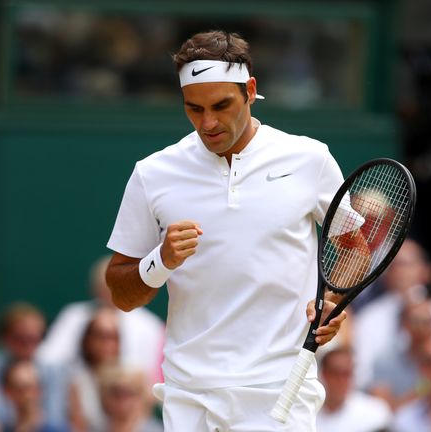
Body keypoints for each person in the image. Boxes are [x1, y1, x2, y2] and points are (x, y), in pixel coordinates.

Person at [105, 30, 360, 431]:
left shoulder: (309, 158)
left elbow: (354, 247)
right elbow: (120, 292)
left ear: (250, 90)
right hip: (189, 394)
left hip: (281, 387)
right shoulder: (153, 173)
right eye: (194, 109)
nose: (208, 123)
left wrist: (334, 298)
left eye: (221, 105)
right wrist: (161, 260)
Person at [37, 255, 165, 383]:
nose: (109, 293)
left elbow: (150, 376)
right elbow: (49, 358)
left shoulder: (149, 325)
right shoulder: (74, 315)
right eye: (105, 287)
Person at [353, 239, 431, 388]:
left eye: (405, 264)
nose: (399, 271)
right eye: (393, 265)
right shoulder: (368, 317)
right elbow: (362, 373)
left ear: (425, 271)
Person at [0, 302, 66, 432]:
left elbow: (55, 419)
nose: (27, 345)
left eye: (33, 338)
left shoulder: (52, 370)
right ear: (5, 337)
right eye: (20, 338)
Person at [369, 299, 431, 411]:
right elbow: (382, 410)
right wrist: (422, 390)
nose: (421, 328)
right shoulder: (385, 360)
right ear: (404, 324)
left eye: (427, 321)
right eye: (416, 321)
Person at [67, 307, 122, 432]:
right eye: (101, 336)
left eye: (113, 337)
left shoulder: (132, 379)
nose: (108, 344)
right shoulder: (75, 380)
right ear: (87, 340)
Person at [316, 345, 392, 431]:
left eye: (346, 374)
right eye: (335, 373)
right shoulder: (308, 413)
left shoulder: (376, 412)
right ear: (323, 375)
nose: (341, 380)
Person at [1, 359, 70, 432]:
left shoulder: (58, 429)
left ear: (40, 390)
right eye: (19, 389)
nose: (26, 395)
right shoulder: (2, 429)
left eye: (29, 388)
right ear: (7, 392)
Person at [94, 363, 164, 432]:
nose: (122, 400)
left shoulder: (156, 429)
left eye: (129, 393)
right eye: (116, 394)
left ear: (140, 396)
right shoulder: (96, 428)